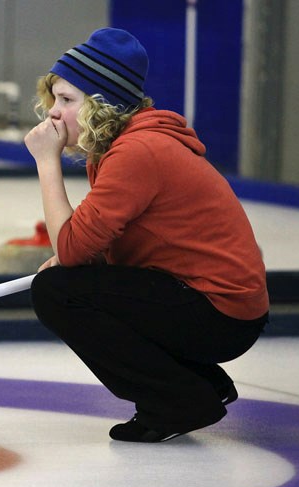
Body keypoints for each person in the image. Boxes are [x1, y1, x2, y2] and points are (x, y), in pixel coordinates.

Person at [24, 27, 269, 442]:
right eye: (53, 99)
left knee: (56, 291)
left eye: (67, 100)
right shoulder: (126, 146)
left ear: (101, 106)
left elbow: (68, 249)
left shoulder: (137, 152)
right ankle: (201, 383)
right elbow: (93, 248)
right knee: (67, 282)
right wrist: (80, 263)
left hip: (219, 313)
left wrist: (46, 162)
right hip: (217, 306)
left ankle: (179, 400)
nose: (53, 113)